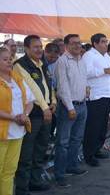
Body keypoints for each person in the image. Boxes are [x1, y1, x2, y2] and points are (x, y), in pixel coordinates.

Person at [14, 35, 56, 194]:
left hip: (46, 113)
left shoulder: (42, 63)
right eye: (35, 47)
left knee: (40, 151)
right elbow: (32, 88)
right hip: (32, 115)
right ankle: (22, 188)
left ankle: (35, 181)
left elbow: (48, 83)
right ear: (26, 49)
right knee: (26, 154)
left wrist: (53, 102)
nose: (39, 49)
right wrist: (45, 108)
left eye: (40, 46)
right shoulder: (20, 65)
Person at [54, 34, 89, 188]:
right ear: (67, 45)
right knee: (63, 142)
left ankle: (72, 166)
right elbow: (62, 87)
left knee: (76, 139)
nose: (77, 45)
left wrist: (87, 90)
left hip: (82, 104)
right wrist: (70, 107)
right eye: (73, 43)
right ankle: (60, 174)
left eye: (79, 43)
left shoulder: (81, 59)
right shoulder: (62, 61)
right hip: (69, 107)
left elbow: (84, 79)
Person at [0, 47, 34, 195]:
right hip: (2, 133)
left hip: (18, 132)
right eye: (5, 59)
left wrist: (25, 114)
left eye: (10, 58)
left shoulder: (16, 78)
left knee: (9, 171)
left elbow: (30, 100)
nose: (9, 62)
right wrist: (14, 117)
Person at [82, 33, 110, 167]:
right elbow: (86, 72)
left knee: (102, 125)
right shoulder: (89, 55)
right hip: (95, 95)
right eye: (103, 42)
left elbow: (108, 72)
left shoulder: (106, 56)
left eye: (106, 42)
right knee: (93, 126)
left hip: (107, 93)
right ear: (95, 44)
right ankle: (88, 154)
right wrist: (103, 71)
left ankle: (97, 149)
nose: (106, 44)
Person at [43, 43, 61, 140]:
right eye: (50, 57)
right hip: (42, 96)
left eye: (55, 57)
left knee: (53, 119)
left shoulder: (57, 63)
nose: (52, 59)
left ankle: (50, 136)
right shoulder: (40, 62)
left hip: (53, 95)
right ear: (45, 52)